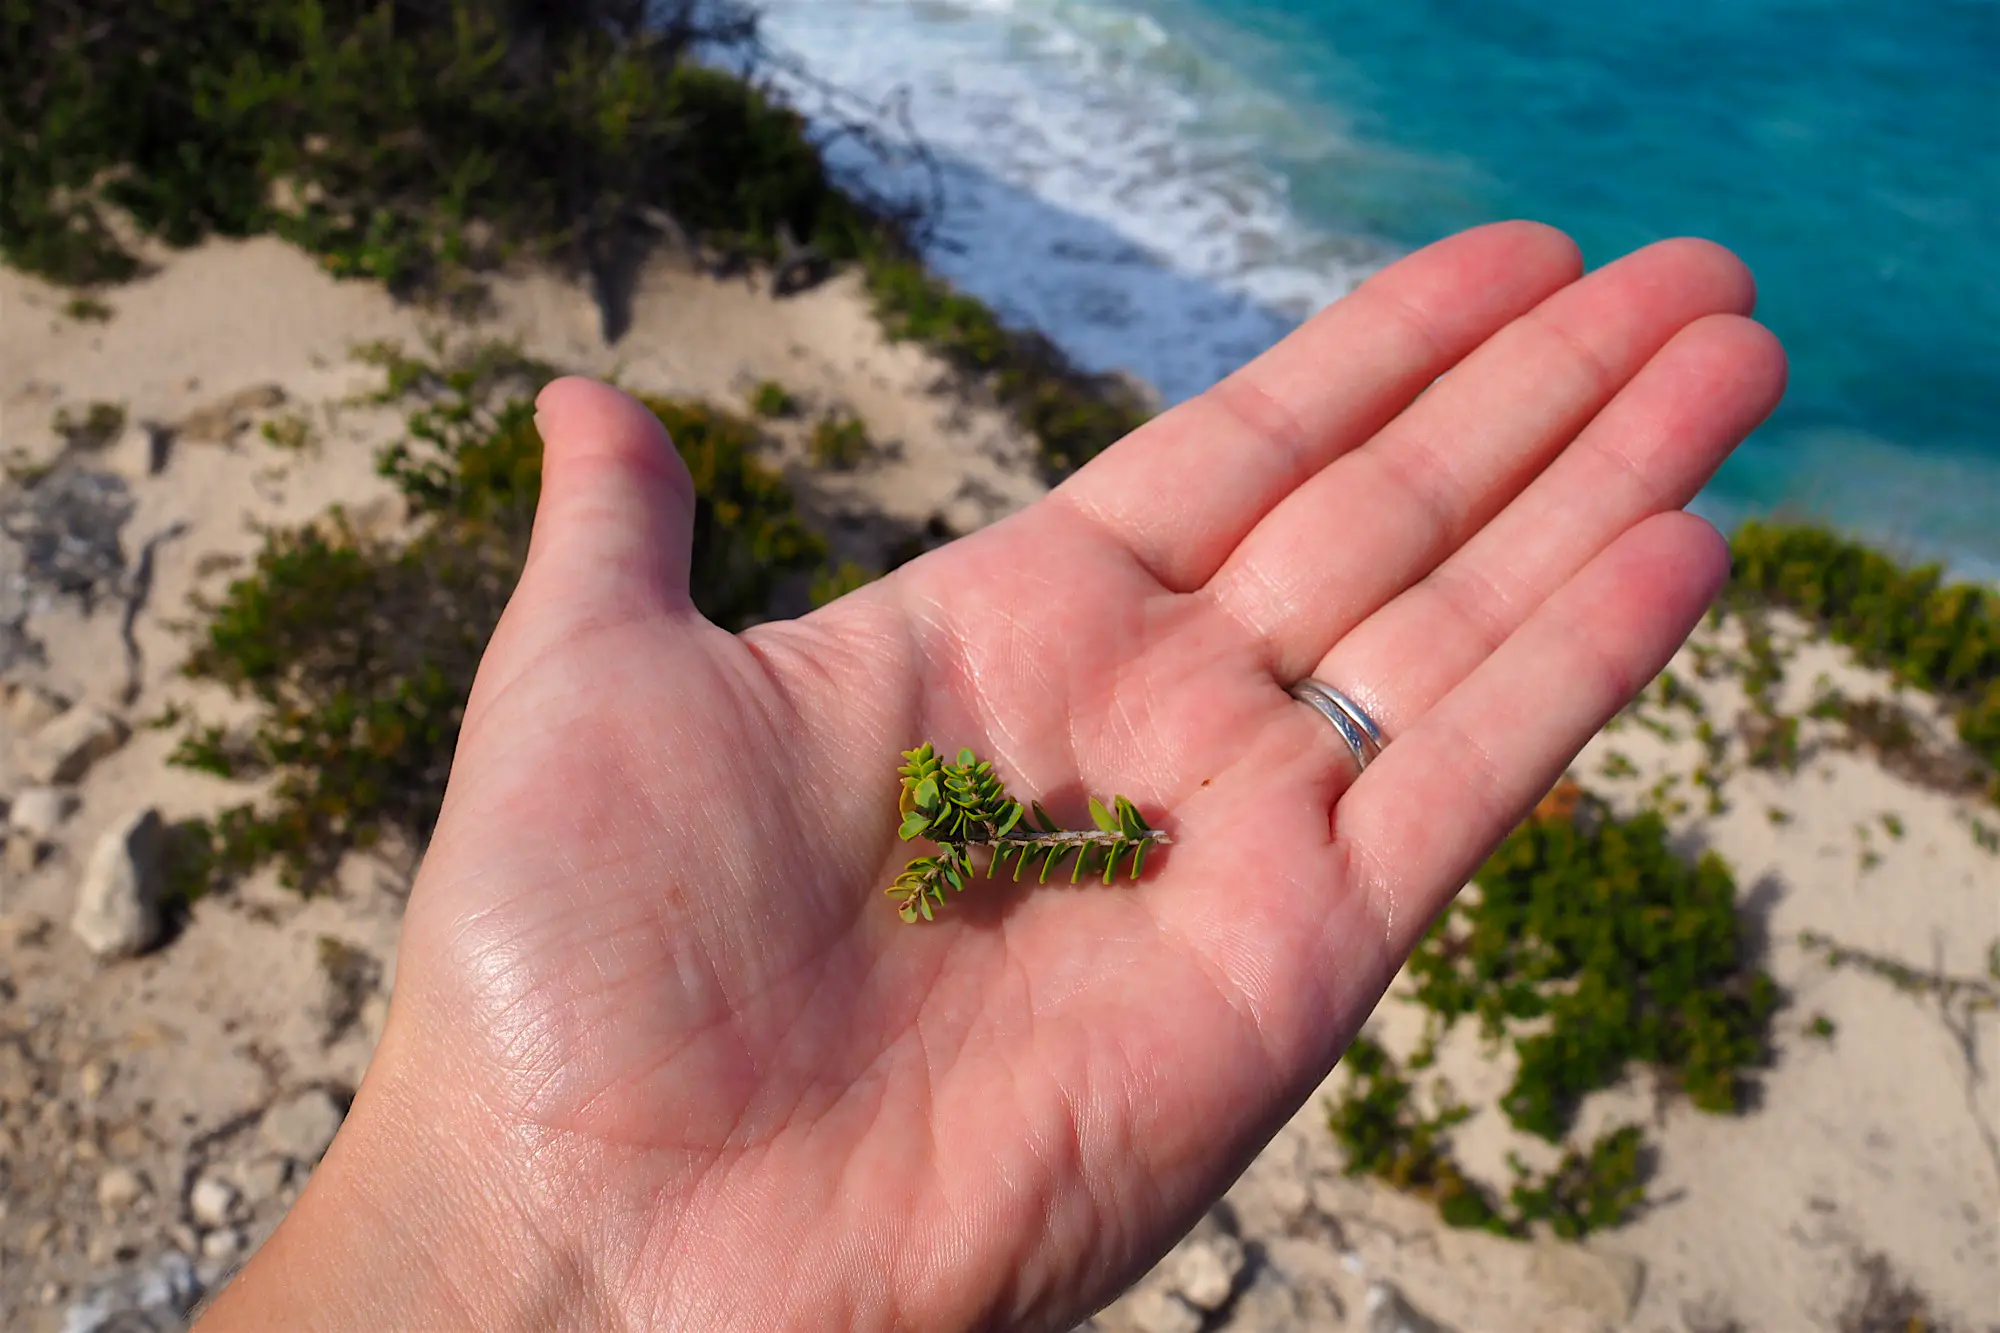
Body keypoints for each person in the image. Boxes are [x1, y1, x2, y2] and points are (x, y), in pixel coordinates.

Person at [191, 221, 1784, 1331]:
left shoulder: (1002, 838)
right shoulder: (965, 839)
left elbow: (1004, 845)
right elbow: (966, 847)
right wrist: (526, 1234)